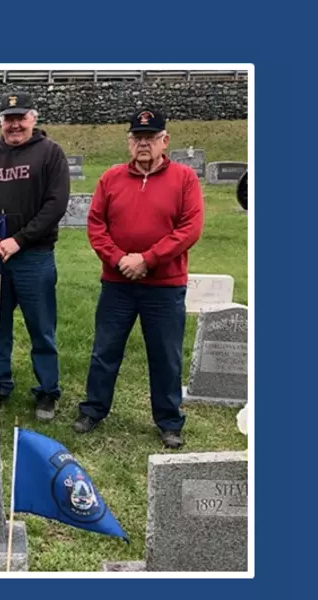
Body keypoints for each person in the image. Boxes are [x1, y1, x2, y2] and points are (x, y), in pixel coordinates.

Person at [74, 108, 204, 449]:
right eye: (137, 138)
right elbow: (96, 226)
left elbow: (190, 228)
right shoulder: (110, 178)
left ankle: (169, 421)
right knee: (105, 350)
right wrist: (119, 260)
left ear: (165, 141)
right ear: (129, 142)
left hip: (164, 286)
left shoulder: (184, 179)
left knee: (165, 355)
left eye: (151, 138)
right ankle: (94, 409)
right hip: (117, 283)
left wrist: (148, 259)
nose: (143, 144)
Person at [0, 92, 70, 421]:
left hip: (32, 256)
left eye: (21, 117)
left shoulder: (50, 154)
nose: (14, 124)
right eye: (8, 119)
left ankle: (47, 392)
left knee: (41, 326)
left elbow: (55, 204)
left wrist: (19, 240)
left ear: (33, 119)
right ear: (0, 122)